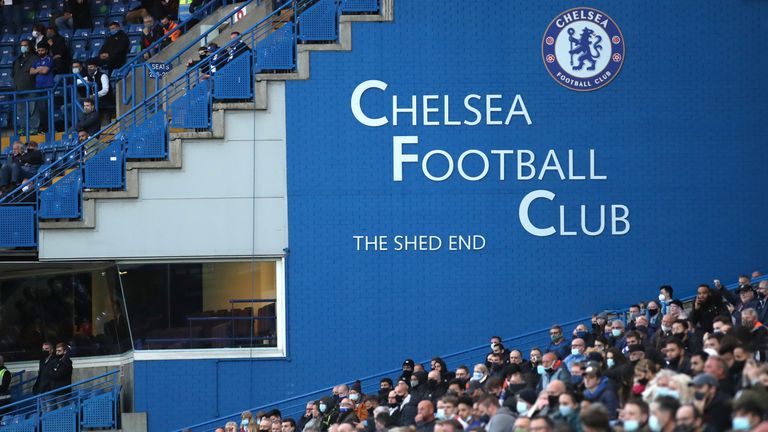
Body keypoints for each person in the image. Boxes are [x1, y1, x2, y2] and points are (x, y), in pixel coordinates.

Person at [12, 39, 41, 134]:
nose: (23, 47)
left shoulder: (35, 58)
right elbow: (13, 74)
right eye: (22, 45)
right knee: (21, 111)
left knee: (33, 109)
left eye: (25, 45)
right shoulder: (17, 60)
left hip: (31, 88)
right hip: (18, 89)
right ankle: (23, 128)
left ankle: (34, 128)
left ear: (29, 46)